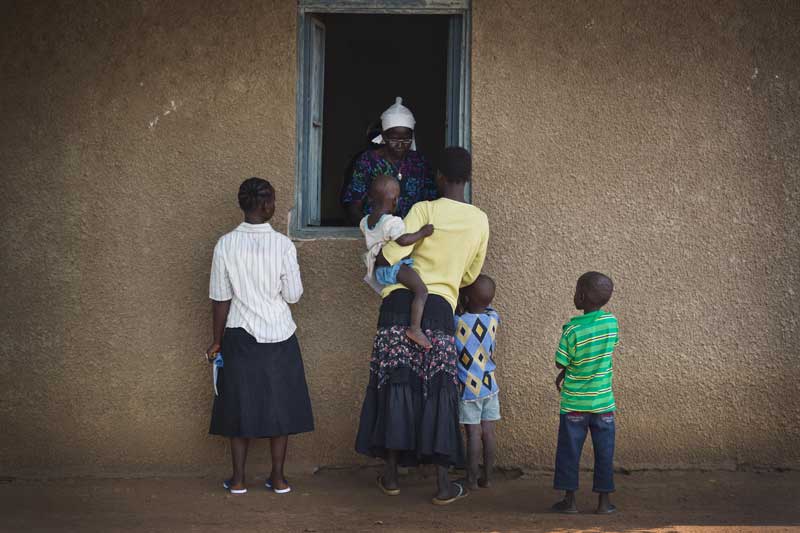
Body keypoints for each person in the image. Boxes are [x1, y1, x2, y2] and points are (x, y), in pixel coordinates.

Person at [355, 147, 489, 506]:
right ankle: (443, 485)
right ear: (467, 178)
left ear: (439, 178)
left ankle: (393, 477)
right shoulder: (479, 221)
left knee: (396, 383)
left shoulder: (423, 210)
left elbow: (391, 254)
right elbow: (470, 275)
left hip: (398, 302)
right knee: (439, 389)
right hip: (441, 307)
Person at [206, 177, 314, 495]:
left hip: (239, 335)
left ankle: (238, 479)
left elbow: (220, 297)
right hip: (280, 334)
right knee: (280, 406)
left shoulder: (225, 245)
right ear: (267, 205)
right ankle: (278, 479)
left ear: (244, 204)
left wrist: (216, 341)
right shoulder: (283, 245)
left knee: (240, 406)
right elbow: (293, 295)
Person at [551, 272, 619, 514]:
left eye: (576, 290)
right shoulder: (611, 324)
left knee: (569, 453)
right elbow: (600, 355)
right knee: (604, 453)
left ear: (581, 296)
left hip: (574, 406)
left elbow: (561, 362)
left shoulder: (571, 330)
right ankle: (604, 503)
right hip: (603, 405)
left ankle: (570, 501)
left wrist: (565, 371)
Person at [360, 174, 435, 348]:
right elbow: (403, 240)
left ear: (371, 198)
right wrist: (422, 233)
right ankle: (415, 329)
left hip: (378, 270)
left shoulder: (365, 222)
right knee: (422, 290)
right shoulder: (392, 222)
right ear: (395, 201)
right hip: (394, 267)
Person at [341, 97, 437, 224]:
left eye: (406, 139)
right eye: (394, 139)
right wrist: (369, 230)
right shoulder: (368, 161)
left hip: (412, 234)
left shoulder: (420, 162)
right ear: (384, 136)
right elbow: (353, 204)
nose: (400, 145)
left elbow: (431, 202)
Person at [455, 275, 501, 490]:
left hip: (469, 388)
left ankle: (471, 479)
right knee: (488, 433)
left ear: (464, 297)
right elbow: (488, 307)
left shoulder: (458, 322)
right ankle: (488, 478)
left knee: (473, 433)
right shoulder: (493, 319)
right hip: (490, 385)